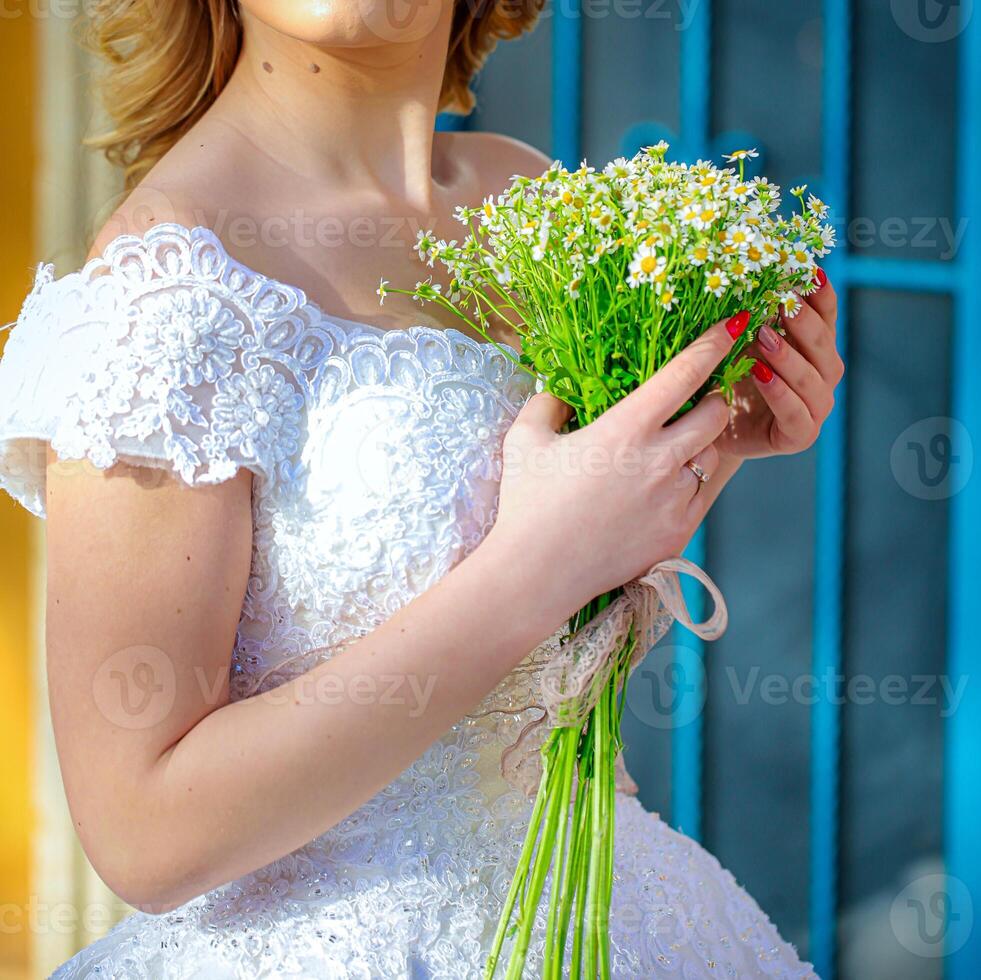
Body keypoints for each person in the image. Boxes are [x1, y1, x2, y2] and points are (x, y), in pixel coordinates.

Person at [0, 1, 842, 975]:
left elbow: (573, 631)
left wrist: (703, 439)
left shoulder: (526, 199)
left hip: (615, 915)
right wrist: (533, 567)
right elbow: (143, 833)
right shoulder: (165, 287)